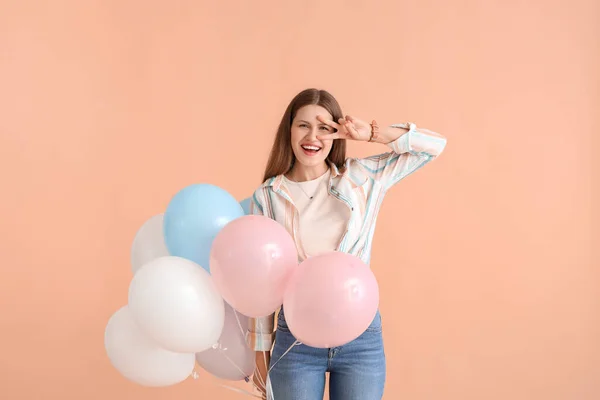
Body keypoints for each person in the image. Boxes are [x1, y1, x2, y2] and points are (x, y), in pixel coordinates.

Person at [247, 88, 447, 400]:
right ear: (288, 129)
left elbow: (434, 146)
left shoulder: (361, 178)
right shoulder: (268, 195)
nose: (312, 136)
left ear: (337, 133)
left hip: (360, 337)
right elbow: (264, 280)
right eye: (303, 125)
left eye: (324, 127)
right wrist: (260, 345)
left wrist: (372, 133)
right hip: (295, 338)